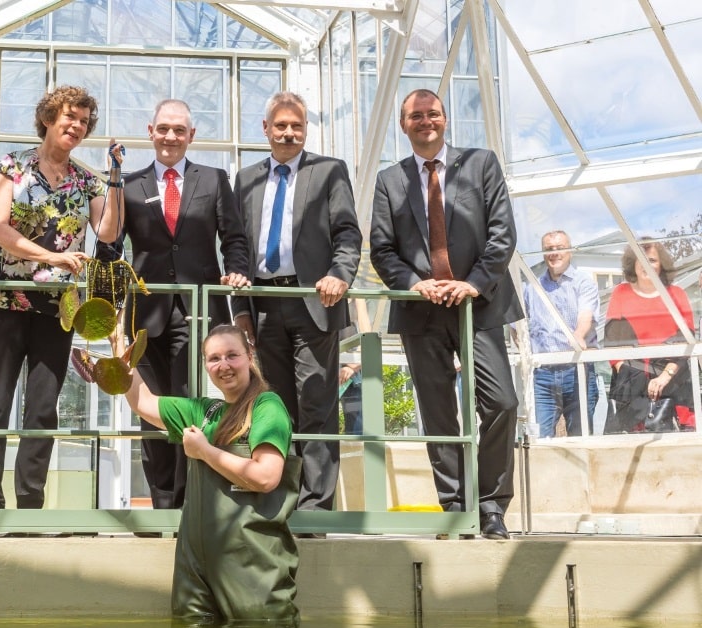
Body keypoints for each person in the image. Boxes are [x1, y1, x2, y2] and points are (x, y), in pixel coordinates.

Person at [369, 88, 521, 540]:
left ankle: (491, 506)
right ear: (403, 125)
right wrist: (415, 285)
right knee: (438, 415)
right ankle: (456, 509)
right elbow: (382, 248)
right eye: (415, 116)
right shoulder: (389, 181)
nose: (425, 121)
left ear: (445, 118)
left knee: (501, 403)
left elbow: (502, 231)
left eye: (432, 113)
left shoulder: (480, 164)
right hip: (422, 311)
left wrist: (473, 281)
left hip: (480, 304)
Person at [0, 85, 124, 510]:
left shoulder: (85, 180)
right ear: (48, 118)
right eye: (69, 117)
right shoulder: (13, 166)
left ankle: (30, 503)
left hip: (56, 310)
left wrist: (114, 177)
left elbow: (108, 233)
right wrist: (54, 257)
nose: (76, 125)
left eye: (83, 121)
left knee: (42, 409)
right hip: (4, 301)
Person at [97, 98, 251, 511]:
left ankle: (192, 504)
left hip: (200, 313)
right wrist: (112, 179)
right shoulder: (129, 185)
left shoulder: (215, 180)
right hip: (144, 317)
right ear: (151, 132)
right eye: (163, 129)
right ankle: (163, 504)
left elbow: (233, 238)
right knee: (150, 409)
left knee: (193, 406)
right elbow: (109, 246)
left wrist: (236, 271)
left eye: (179, 130)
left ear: (191, 136)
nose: (170, 137)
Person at [232, 91, 362, 517]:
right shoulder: (246, 178)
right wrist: (242, 312)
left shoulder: (328, 171)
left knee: (316, 402)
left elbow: (347, 234)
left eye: (297, 126)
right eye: (281, 125)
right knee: (273, 405)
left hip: (313, 299)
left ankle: (315, 510)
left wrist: (339, 276)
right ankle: (280, 500)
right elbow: (236, 246)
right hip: (265, 303)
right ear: (265, 129)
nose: (289, 133)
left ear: (306, 130)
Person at [114, 323, 299, 621]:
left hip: (251, 567)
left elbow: (266, 477)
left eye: (232, 355)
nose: (223, 365)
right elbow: (143, 402)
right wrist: (119, 354)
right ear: (205, 365)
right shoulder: (206, 411)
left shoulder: (267, 406)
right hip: (197, 570)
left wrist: (205, 451)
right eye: (214, 358)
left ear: (249, 356)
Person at [602, 240, 694, 434]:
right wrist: (638, 383)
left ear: (661, 265)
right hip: (632, 389)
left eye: (651, 260)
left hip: (674, 382)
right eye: (640, 259)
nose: (646, 265)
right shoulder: (621, 293)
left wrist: (663, 377)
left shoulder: (676, 294)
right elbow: (613, 343)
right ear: (633, 264)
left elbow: (686, 342)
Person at [523, 230, 600, 437]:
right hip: (543, 374)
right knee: (539, 437)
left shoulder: (583, 282)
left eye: (560, 248)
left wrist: (578, 336)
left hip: (577, 369)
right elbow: (517, 326)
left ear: (570, 251)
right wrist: (525, 353)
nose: (554, 253)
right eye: (549, 249)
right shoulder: (532, 287)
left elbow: (586, 314)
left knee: (581, 437)